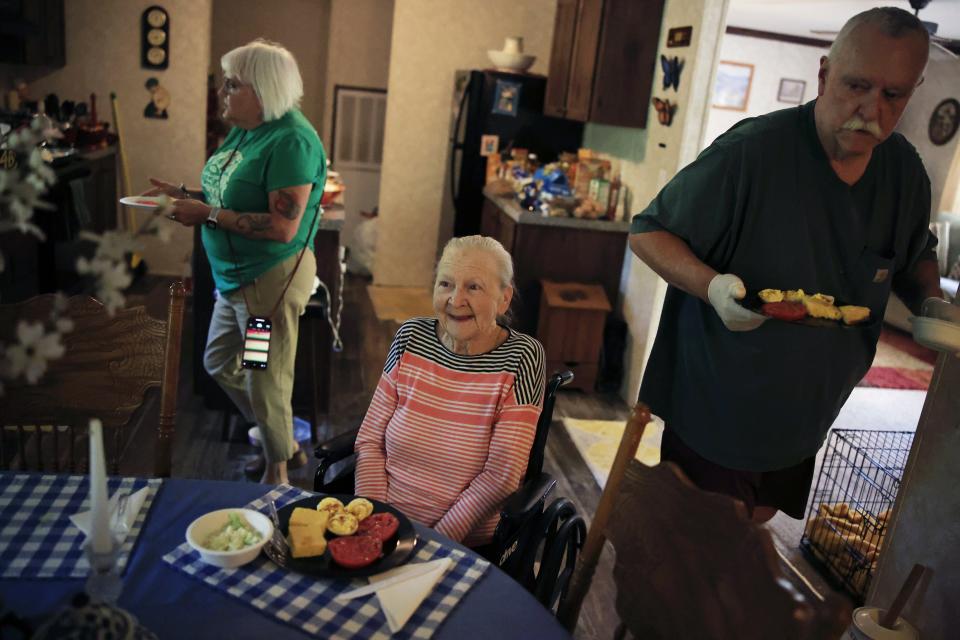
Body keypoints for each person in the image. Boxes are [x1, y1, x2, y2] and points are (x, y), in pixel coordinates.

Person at [630, 8, 942, 523]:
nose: (871, 110)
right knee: (691, 563)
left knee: (752, 549)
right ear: (824, 75)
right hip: (717, 409)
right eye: (856, 85)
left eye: (893, 95)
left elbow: (913, 256)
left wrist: (933, 303)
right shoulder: (751, 154)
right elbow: (648, 233)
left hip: (804, 420)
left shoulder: (904, 172)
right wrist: (712, 288)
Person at [146, 39, 326, 484]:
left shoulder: (292, 142)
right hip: (234, 281)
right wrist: (188, 195)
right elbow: (230, 192)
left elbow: (283, 227)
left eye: (232, 84)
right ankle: (280, 439)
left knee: (262, 373)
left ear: (263, 90)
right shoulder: (246, 130)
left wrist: (206, 214)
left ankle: (277, 473)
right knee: (217, 362)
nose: (222, 90)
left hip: (267, 283)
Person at [355, 236, 545, 547]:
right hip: (381, 528)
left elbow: (501, 476)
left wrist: (431, 543)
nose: (455, 300)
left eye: (474, 287)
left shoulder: (521, 357)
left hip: (460, 544)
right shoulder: (410, 337)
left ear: (505, 298)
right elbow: (369, 440)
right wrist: (376, 524)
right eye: (446, 284)